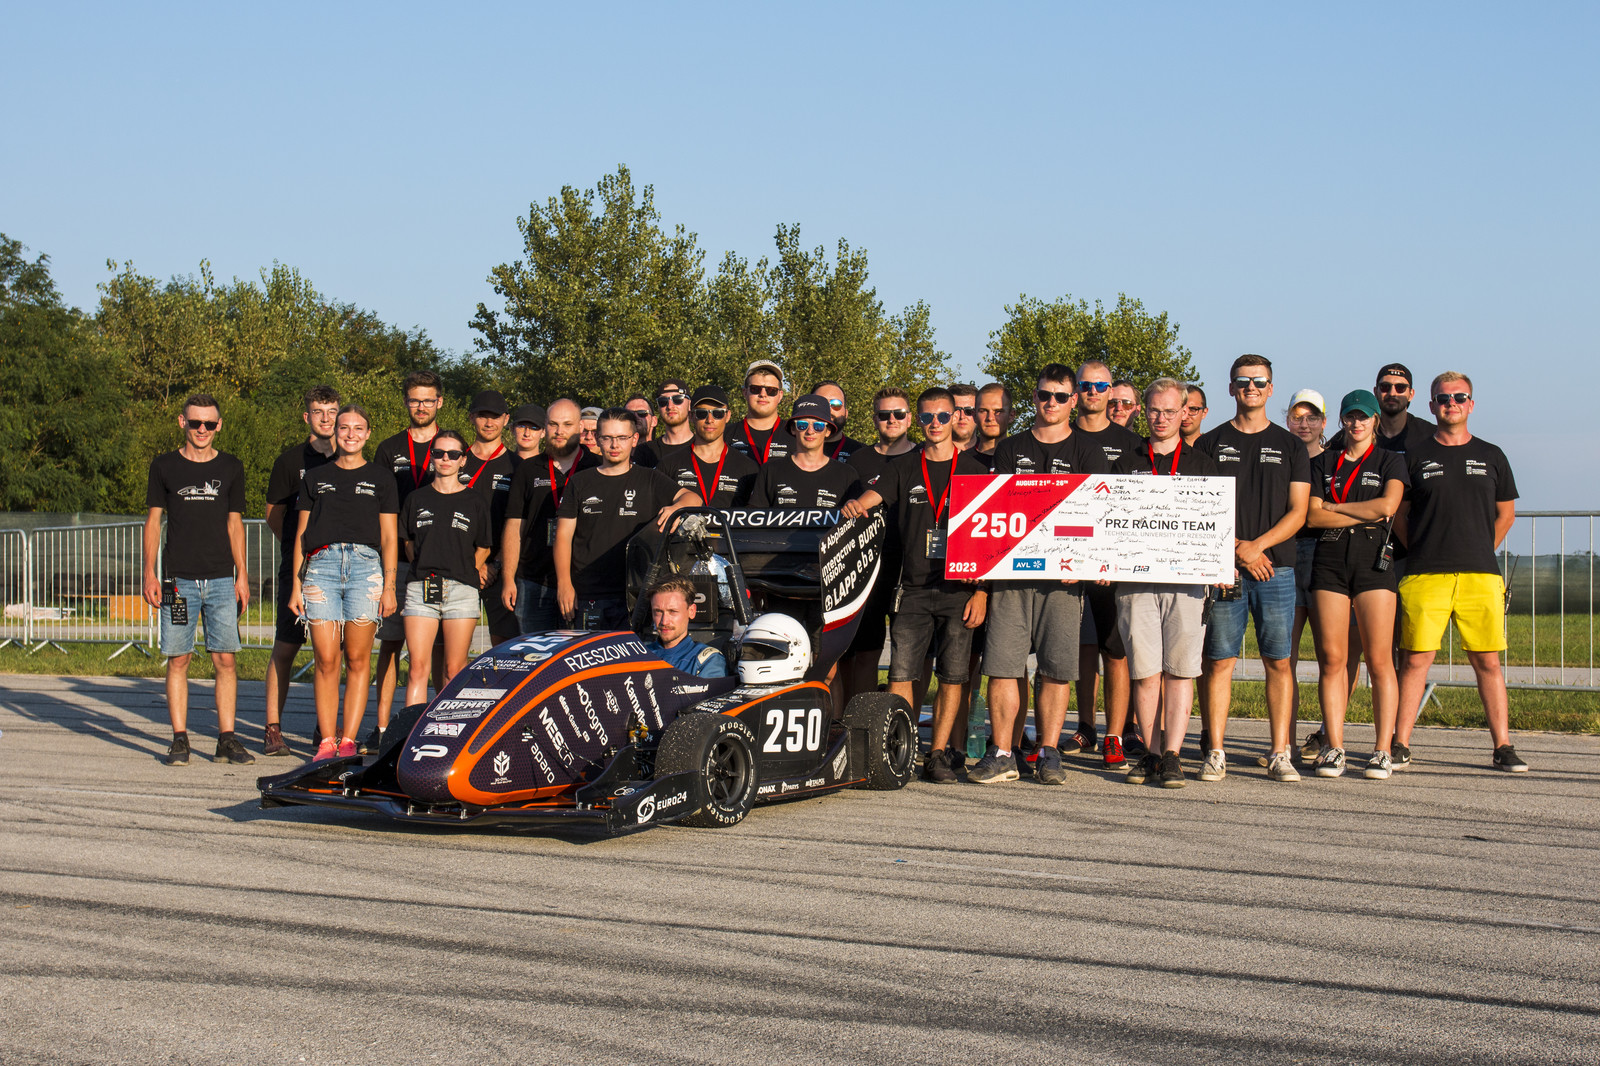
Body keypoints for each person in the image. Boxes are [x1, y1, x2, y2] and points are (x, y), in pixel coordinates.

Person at [842, 387, 989, 783]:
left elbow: (992, 538)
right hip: (912, 587)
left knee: (953, 676)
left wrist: (982, 591)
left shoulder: (975, 470)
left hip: (961, 589)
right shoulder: (904, 466)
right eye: (927, 417)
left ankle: (938, 754)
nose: (935, 424)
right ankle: (901, 747)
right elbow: (872, 497)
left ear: (956, 417)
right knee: (901, 673)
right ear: (918, 421)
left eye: (943, 416)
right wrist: (856, 505)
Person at [1393, 374, 1525, 772]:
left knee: (1487, 661)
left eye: (1459, 397)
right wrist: (1421, 547)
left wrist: (1481, 548)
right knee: (1416, 660)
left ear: (1471, 404)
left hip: (1480, 575)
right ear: (1431, 406)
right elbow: (1399, 514)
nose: (1451, 403)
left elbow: (1506, 514)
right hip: (1425, 574)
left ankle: (1503, 746)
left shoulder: (1492, 454)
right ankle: (1399, 743)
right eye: (1443, 398)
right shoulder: (1413, 456)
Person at [1195, 355, 1312, 783]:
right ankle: (1216, 751)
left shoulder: (1291, 446)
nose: (1251, 387)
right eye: (1243, 381)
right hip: (1224, 569)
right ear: (1231, 388)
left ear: (1270, 388)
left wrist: (1256, 547)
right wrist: (1236, 551)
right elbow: (1200, 508)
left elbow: (1298, 511)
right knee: (1219, 661)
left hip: (1275, 570)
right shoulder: (1209, 443)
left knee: (1278, 661)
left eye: (1259, 381)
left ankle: (1280, 752)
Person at [968, 364, 1085, 786]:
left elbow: (1097, 515)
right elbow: (994, 512)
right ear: (1034, 398)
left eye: (1060, 396)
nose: (1051, 403)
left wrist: (1084, 561)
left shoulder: (1087, 451)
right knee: (1002, 666)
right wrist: (983, 580)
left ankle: (1049, 752)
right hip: (1012, 577)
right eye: (1044, 395)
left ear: (1073, 400)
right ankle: (1003, 753)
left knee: (1055, 668)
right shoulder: (1009, 448)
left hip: (1063, 581)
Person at [1112, 379, 1221, 788]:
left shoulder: (1202, 464)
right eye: (1155, 411)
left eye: (1170, 412)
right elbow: (1109, 519)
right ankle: (1152, 753)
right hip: (1135, 582)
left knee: (1180, 671)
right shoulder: (1125, 462)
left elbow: (1215, 523)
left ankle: (1173, 754)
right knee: (1145, 672)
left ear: (1184, 413)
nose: (1162, 419)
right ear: (1145, 412)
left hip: (1186, 582)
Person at [142, 394, 251, 767]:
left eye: (209, 423)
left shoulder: (232, 467)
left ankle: (227, 739)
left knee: (225, 659)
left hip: (221, 579)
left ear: (219, 425)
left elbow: (235, 524)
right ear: (182, 423)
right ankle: (179, 739)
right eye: (195, 423)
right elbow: (153, 522)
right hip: (177, 582)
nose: (202, 429)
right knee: (179, 659)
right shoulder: (164, 466)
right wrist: (149, 572)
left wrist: (242, 575)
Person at [1304, 390, 1408, 780]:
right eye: (1350, 416)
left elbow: (1387, 507)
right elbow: (1313, 517)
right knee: (1332, 660)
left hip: (1373, 561)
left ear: (1375, 420)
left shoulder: (1390, 460)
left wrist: (1335, 507)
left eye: (1364, 416)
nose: (1357, 423)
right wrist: (1359, 512)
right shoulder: (1323, 462)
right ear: (1342, 420)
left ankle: (1382, 750)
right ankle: (1334, 746)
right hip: (1330, 560)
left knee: (1380, 661)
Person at [289, 404, 400, 762]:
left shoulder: (382, 478)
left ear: (368, 434)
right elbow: (302, 534)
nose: (351, 434)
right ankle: (326, 741)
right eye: (344, 428)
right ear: (334, 432)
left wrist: (389, 587)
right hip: (321, 568)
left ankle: (348, 740)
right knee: (325, 658)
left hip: (366, 571)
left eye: (358, 428)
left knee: (357, 658)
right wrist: (295, 585)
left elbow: (389, 538)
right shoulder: (315, 477)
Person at [554, 408, 699, 629]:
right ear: (597, 439)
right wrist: (564, 584)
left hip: (638, 594)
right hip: (588, 594)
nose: (615, 445)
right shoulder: (579, 482)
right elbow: (563, 536)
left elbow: (693, 498)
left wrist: (677, 507)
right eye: (607, 438)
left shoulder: (650, 478)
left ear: (634, 439)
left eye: (622, 437)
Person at [261, 384, 339, 756]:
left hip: (339, 570)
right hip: (299, 569)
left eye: (332, 411)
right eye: (319, 412)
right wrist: (299, 548)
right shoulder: (289, 461)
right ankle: (273, 728)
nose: (326, 419)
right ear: (307, 416)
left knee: (333, 653)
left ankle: (326, 727)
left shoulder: (350, 457)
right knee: (286, 646)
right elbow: (273, 515)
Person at [1070, 360, 1141, 766]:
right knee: (1082, 646)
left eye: (1101, 386)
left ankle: (1116, 733)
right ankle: (1085, 727)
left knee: (1115, 650)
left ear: (1110, 391)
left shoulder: (1131, 444)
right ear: (1077, 390)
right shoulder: (1062, 435)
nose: (1094, 392)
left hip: (1114, 562)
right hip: (1068, 557)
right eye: (1087, 385)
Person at [370, 370, 445, 753]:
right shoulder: (389, 449)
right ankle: (383, 728)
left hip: (440, 562)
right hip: (399, 561)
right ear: (406, 402)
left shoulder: (450, 446)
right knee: (390, 643)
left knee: (439, 650)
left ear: (439, 403)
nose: (421, 406)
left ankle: (439, 725)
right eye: (415, 400)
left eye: (428, 400)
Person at [835, 387, 918, 713]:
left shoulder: (923, 456)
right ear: (874, 419)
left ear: (909, 419)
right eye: (884, 415)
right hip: (868, 565)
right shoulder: (859, 460)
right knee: (865, 651)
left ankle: (907, 725)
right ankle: (860, 722)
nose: (892, 420)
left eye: (899, 414)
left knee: (912, 656)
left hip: (912, 566)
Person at [399, 429, 492, 710]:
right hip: (421, 587)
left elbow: (484, 547)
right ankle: (413, 729)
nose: (445, 459)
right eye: (439, 453)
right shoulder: (416, 499)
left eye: (453, 454)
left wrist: (462, 570)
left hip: (462, 590)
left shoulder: (475, 501)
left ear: (463, 460)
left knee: (454, 669)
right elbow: (408, 544)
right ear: (431, 458)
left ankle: (450, 727)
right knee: (417, 668)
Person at [502, 398, 598, 633]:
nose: (559, 431)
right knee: (534, 651)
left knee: (578, 653)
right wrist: (508, 578)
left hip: (583, 581)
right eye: (553, 424)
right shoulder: (527, 469)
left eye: (567, 424)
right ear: (545, 426)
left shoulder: (596, 467)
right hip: (534, 580)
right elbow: (514, 527)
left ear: (580, 427)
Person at [1284, 388, 1329, 753]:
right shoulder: (1280, 455)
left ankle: (1328, 735)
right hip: (1286, 554)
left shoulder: (1336, 461)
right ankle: (1284, 742)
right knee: (1285, 656)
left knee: (1331, 655)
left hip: (1324, 555)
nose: (1304, 424)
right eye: (1297, 417)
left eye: (1312, 417)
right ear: (1287, 419)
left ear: (1323, 422)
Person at [459, 390, 521, 645]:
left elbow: (518, 524)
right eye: (482, 416)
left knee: (504, 648)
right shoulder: (455, 460)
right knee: (453, 651)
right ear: (471, 417)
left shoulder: (517, 466)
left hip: (499, 570)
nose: (488, 422)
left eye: (495, 417)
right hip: (460, 568)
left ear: (506, 419)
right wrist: (471, 565)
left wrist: (494, 565)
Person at [749, 395, 863, 510]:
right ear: (793, 428)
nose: (810, 431)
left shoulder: (847, 474)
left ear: (828, 431)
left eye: (818, 426)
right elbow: (755, 517)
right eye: (802, 425)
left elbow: (857, 518)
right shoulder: (770, 471)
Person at [659, 385, 759, 507]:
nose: (710, 420)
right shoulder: (668, 465)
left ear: (727, 416)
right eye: (701, 413)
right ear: (691, 416)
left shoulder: (748, 468)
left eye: (718, 413)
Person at [643, 577, 729, 676]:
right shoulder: (638, 656)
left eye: (673, 611)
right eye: (658, 612)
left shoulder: (707, 661)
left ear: (691, 611)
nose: (664, 621)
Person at [729, 359, 794, 466]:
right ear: (745, 392)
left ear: (780, 395)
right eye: (755, 389)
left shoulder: (796, 436)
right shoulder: (725, 436)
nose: (763, 394)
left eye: (771, 390)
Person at [639, 378, 694, 467]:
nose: (670, 406)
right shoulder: (645, 452)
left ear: (690, 404)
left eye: (678, 399)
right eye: (663, 401)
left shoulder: (705, 448)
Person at [811, 380, 868, 462]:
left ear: (846, 413)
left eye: (836, 404)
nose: (828, 409)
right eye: (821, 403)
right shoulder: (793, 448)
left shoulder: (862, 453)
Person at [972, 382, 1013, 469]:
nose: (990, 418)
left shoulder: (1025, 459)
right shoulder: (959, 463)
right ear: (974, 416)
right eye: (983, 411)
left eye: (998, 412)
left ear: (1011, 415)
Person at [949, 382, 979, 451]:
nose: (962, 416)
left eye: (969, 411)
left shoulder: (995, 453)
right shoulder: (927, 453)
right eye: (956, 410)